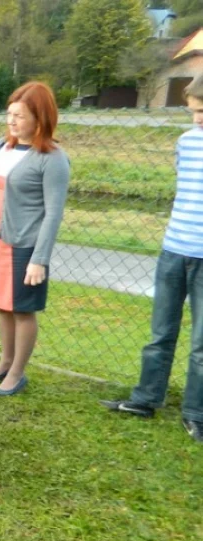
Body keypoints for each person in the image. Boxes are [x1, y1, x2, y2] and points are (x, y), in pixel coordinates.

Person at [101, 74, 203, 443]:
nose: (197, 119)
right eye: (193, 111)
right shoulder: (186, 143)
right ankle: (146, 399)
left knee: (201, 345)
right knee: (161, 333)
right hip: (173, 249)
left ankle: (196, 414)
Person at [0, 81, 70, 397]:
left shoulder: (52, 158)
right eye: (9, 114)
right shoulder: (1, 147)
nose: (12, 121)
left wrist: (40, 259)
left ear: (41, 117)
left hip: (24, 243)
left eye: (19, 116)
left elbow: (54, 213)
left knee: (22, 309)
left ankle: (17, 374)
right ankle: (5, 362)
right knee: (1, 304)